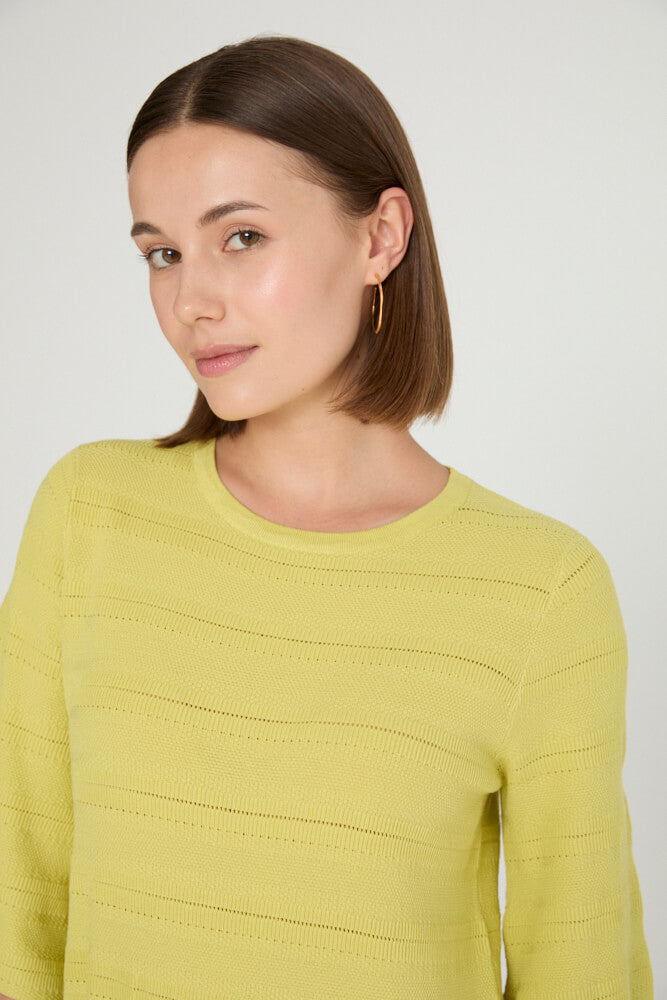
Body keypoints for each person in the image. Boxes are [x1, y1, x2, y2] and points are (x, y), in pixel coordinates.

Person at [0, 34, 654, 1000]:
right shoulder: (89, 515)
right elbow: (18, 898)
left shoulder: (540, 589)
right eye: (162, 254)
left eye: (241, 237)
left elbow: (581, 968)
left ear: (380, 237)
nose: (190, 301)